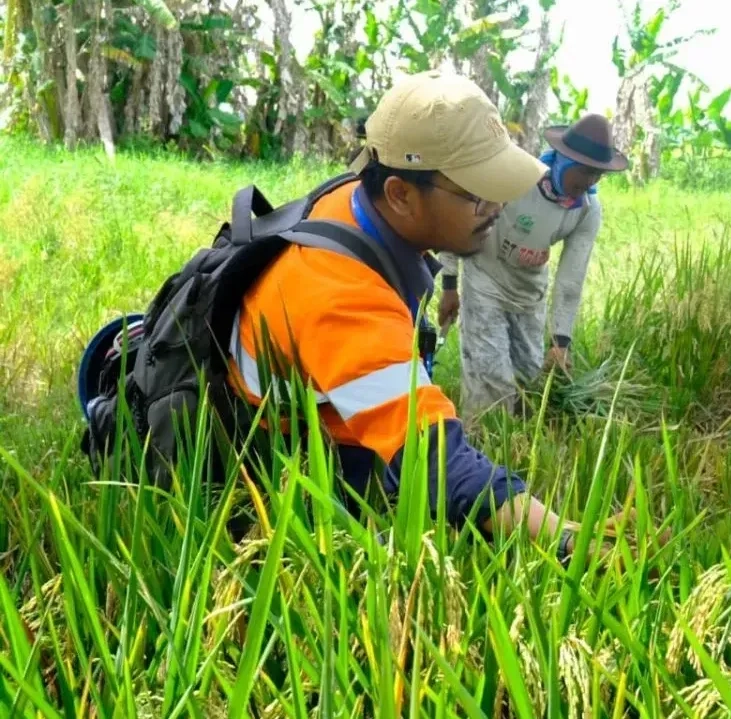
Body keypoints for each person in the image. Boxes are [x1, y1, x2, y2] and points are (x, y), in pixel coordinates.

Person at [223, 71, 624, 560]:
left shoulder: (358, 201)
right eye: (477, 193)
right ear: (400, 194)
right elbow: (435, 459)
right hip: (277, 458)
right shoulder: (341, 293)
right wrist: (566, 540)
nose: (497, 207)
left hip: (324, 412)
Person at [436, 113, 628, 417]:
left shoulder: (587, 210)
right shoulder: (516, 179)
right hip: (485, 281)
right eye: (585, 171)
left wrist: (561, 341)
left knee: (528, 381)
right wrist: (449, 284)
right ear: (563, 159)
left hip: (529, 294)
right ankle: (479, 440)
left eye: (598, 174)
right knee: (491, 379)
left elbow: (571, 278)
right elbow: (459, 224)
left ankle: (518, 441)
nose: (590, 181)